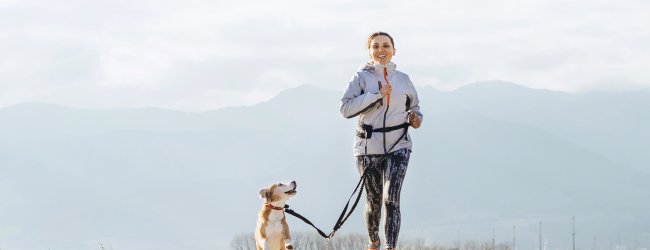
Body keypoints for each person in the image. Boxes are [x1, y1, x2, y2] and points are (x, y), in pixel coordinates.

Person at [340, 31, 423, 250]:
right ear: (369, 51)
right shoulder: (360, 77)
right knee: (374, 202)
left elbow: (414, 107)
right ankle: (374, 242)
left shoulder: (404, 79)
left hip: (399, 146)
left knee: (391, 199)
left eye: (385, 45)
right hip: (368, 148)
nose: (381, 50)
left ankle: (391, 247)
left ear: (394, 50)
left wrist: (416, 119)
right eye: (375, 46)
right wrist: (376, 95)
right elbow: (345, 109)